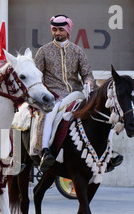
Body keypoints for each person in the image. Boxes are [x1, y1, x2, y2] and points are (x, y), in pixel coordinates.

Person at [34, 14, 95, 171]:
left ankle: (106, 152)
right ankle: (45, 150)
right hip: (53, 95)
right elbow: (35, 77)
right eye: (54, 30)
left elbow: (87, 73)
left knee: (98, 113)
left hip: (76, 94)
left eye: (61, 30)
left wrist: (88, 81)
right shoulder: (43, 51)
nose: (57, 33)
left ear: (68, 30)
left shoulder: (78, 51)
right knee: (49, 112)